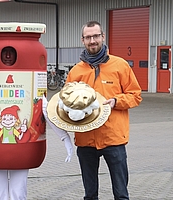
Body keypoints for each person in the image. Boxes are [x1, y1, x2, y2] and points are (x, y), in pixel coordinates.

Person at [45, 20, 142, 200]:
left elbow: (135, 95)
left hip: (114, 139)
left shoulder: (120, 65)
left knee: (121, 194)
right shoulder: (76, 71)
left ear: (103, 37)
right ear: (83, 40)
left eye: (96, 36)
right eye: (88, 37)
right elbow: (67, 103)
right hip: (85, 140)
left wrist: (116, 101)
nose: (92, 41)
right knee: (90, 195)